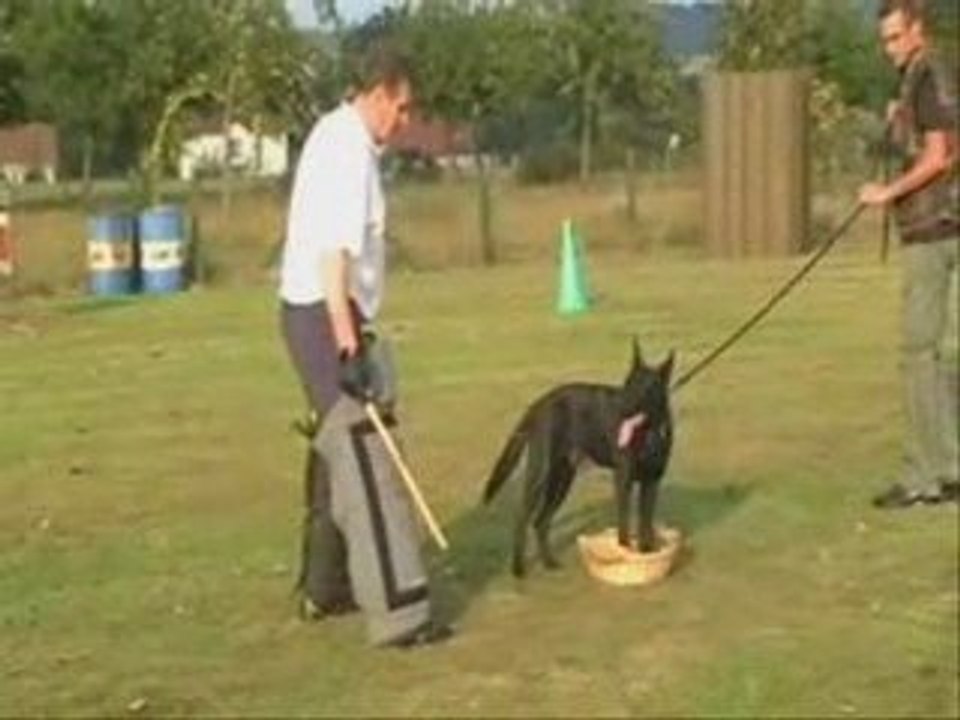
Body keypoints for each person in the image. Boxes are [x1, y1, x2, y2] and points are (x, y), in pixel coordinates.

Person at [278, 42, 452, 647]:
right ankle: (402, 615)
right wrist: (348, 348)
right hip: (326, 315)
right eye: (401, 109)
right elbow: (335, 258)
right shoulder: (347, 150)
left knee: (337, 450)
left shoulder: (340, 140)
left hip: (323, 313)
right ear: (377, 93)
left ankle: (324, 589)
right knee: (365, 451)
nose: (405, 122)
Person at [859, 0, 959, 508]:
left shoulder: (928, 73)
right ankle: (949, 466)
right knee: (936, 355)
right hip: (943, 224)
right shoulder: (931, 74)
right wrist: (899, 120)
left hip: (932, 229)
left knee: (920, 354)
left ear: (917, 29)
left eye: (896, 37)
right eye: (885, 40)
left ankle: (924, 478)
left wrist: (887, 192)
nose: (889, 48)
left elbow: (940, 157)